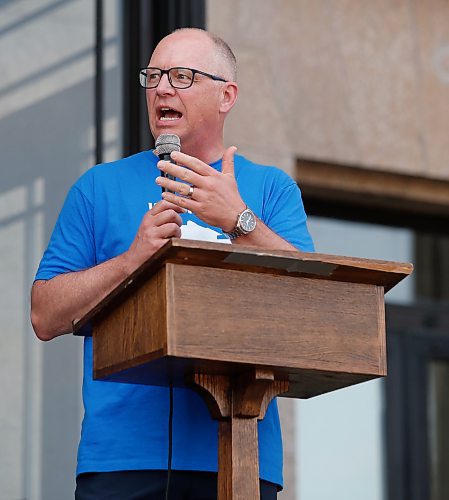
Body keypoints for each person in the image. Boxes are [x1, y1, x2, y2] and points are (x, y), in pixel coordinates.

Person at [31, 28, 314, 499]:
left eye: (182, 76)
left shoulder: (270, 189)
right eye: (155, 76)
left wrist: (239, 220)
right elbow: (44, 315)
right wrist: (132, 260)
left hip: (240, 456)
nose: (162, 88)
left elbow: (314, 303)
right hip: (122, 462)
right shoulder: (98, 188)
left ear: (227, 96)